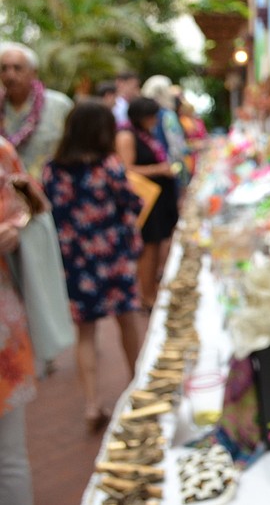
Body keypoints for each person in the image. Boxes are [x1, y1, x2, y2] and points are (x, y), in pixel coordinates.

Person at [42, 100, 144, 432]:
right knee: (127, 321)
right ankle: (136, 385)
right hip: (112, 255)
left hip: (76, 260)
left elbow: (48, 211)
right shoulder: (107, 166)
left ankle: (91, 403)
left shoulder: (52, 168)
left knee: (85, 333)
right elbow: (132, 202)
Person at [0, 136, 37, 505]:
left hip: (2, 327)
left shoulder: (3, 152)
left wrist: (16, 226)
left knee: (9, 455)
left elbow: (30, 206)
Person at [117, 97, 179, 311]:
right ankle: (146, 295)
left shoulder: (144, 133)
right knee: (148, 248)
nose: (155, 120)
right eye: (152, 116)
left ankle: (151, 289)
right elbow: (127, 169)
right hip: (145, 200)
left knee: (154, 245)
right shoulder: (126, 136)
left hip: (156, 199)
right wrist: (159, 170)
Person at [0, 42, 73, 180]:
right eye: (4, 68)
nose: (10, 75)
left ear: (33, 73)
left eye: (17, 68)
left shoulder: (60, 105)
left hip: (50, 193)